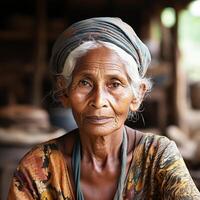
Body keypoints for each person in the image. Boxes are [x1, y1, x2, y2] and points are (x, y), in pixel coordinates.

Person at [8, 17, 200, 200]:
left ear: (137, 95)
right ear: (64, 93)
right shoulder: (38, 167)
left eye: (114, 84)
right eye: (84, 83)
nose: (99, 101)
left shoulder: (158, 156)